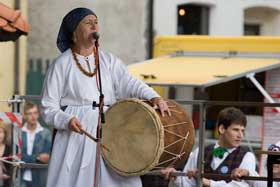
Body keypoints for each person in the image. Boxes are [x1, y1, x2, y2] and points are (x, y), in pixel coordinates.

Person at [40, 7, 170, 187]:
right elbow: (48, 107)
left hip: (111, 128)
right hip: (77, 132)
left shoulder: (109, 60)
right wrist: (66, 120)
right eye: (88, 22)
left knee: (124, 180)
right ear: (74, 33)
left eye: (96, 21)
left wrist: (154, 96)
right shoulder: (61, 64)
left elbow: (130, 83)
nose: (94, 25)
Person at [161, 107, 257, 187]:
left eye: (242, 131)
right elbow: (188, 183)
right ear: (222, 129)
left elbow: (239, 186)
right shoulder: (200, 152)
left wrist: (207, 182)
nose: (240, 135)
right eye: (236, 130)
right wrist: (176, 176)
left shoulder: (247, 156)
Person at [21, 102, 51, 187]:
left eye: (35, 113)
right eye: (29, 113)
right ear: (23, 115)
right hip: (21, 178)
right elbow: (17, 157)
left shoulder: (46, 133)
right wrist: (37, 157)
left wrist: (25, 158)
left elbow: (46, 158)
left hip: (39, 178)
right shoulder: (19, 133)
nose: (33, 116)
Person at [0, 122, 12, 187]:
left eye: (0, 132)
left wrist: (7, 174)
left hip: (5, 183)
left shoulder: (9, 149)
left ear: (4, 134)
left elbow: (13, 167)